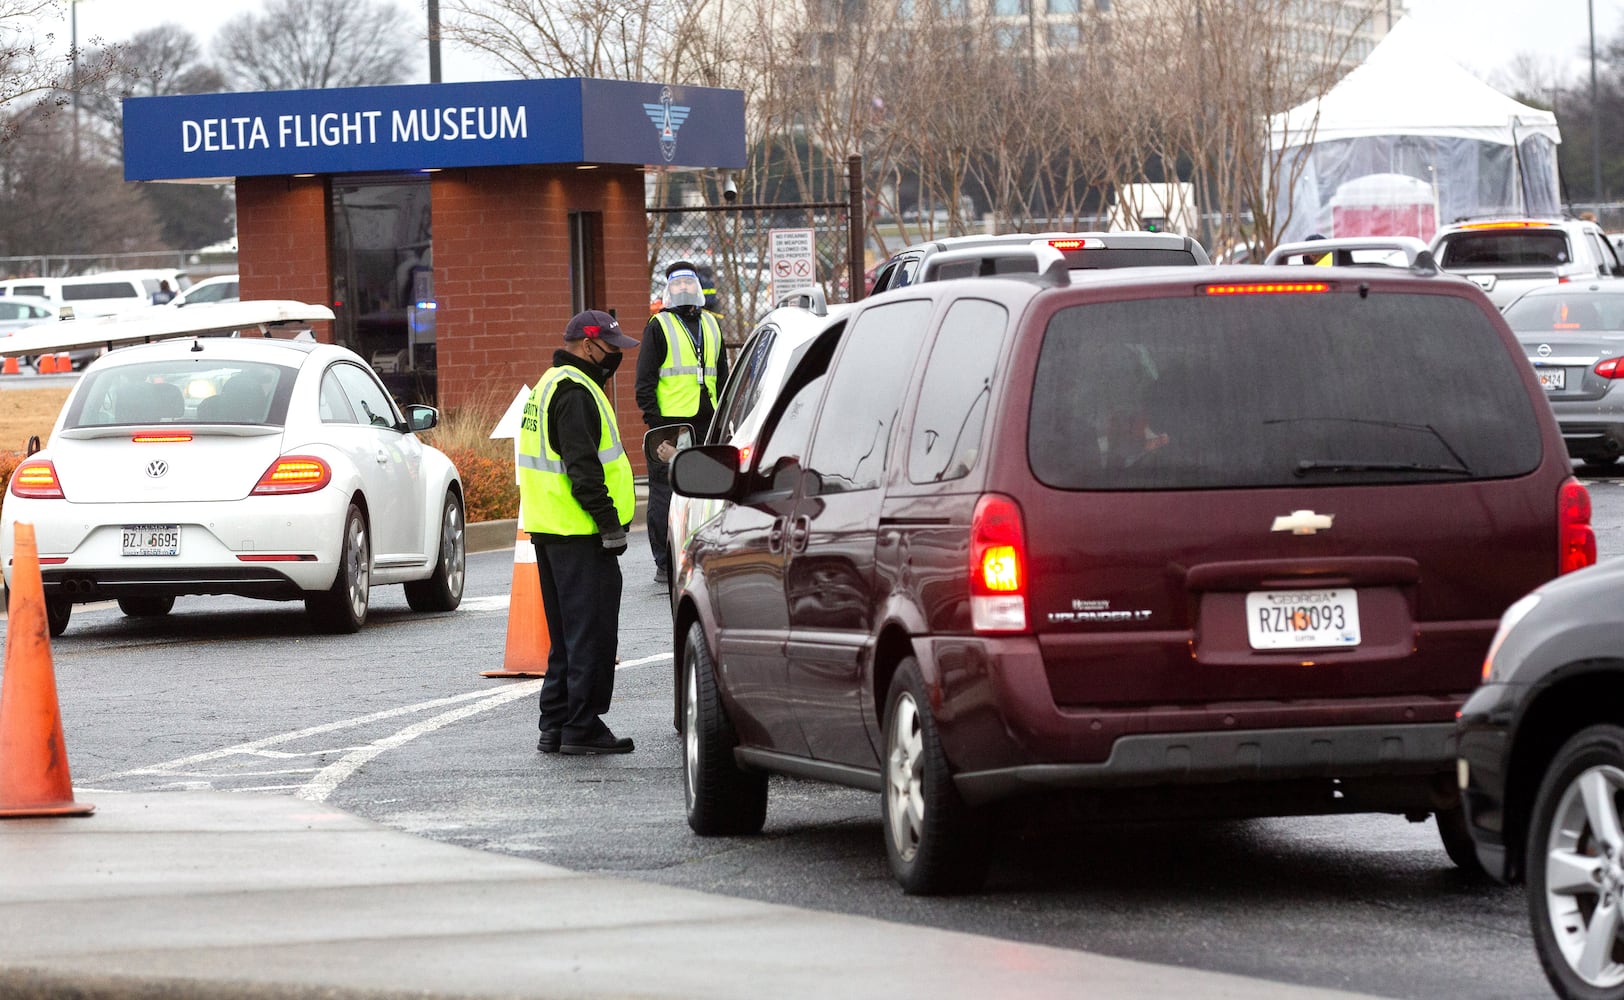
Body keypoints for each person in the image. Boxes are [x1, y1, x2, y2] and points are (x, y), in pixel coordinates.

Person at [518, 309, 641, 756]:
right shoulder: (575, 392)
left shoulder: (547, 385)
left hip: (552, 532)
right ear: (588, 346)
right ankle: (582, 727)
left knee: (568, 635)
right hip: (582, 532)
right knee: (591, 634)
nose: (615, 357)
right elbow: (583, 468)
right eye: (611, 348)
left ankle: (556, 723)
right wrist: (609, 524)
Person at [635, 260, 729, 586]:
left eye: (690, 284)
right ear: (669, 289)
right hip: (671, 424)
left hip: (708, 420)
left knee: (706, 489)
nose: (684, 289)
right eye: (678, 285)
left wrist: (725, 416)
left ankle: (704, 554)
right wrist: (656, 426)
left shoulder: (713, 325)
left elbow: (724, 376)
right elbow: (644, 383)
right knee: (665, 490)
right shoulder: (659, 326)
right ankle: (665, 562)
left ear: (698, 287)